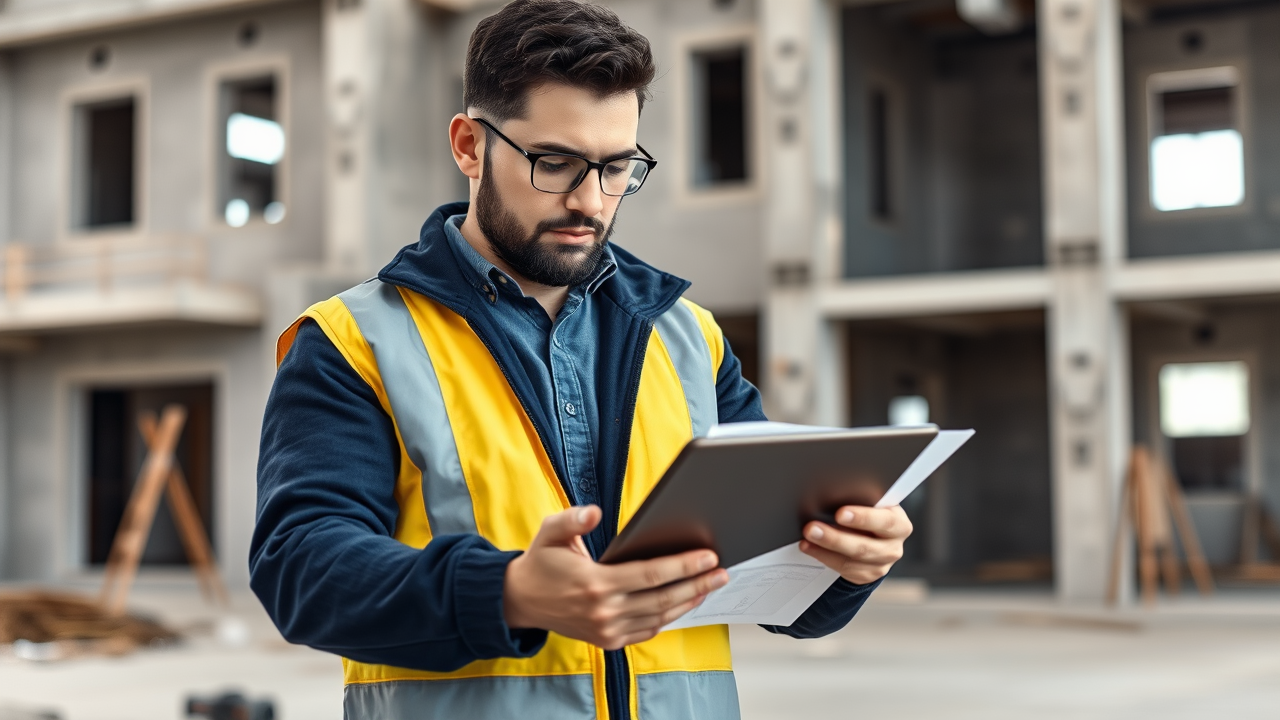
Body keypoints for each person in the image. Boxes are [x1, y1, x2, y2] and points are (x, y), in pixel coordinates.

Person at [250, 1, 913, 718]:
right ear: (469, 145)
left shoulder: (690, 338)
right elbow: (300, 568)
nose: (589, 201)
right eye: (555, 162)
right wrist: (504, 593)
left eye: (617, 167)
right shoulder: (356, 340)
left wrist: (847, 565)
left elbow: (773, 583)